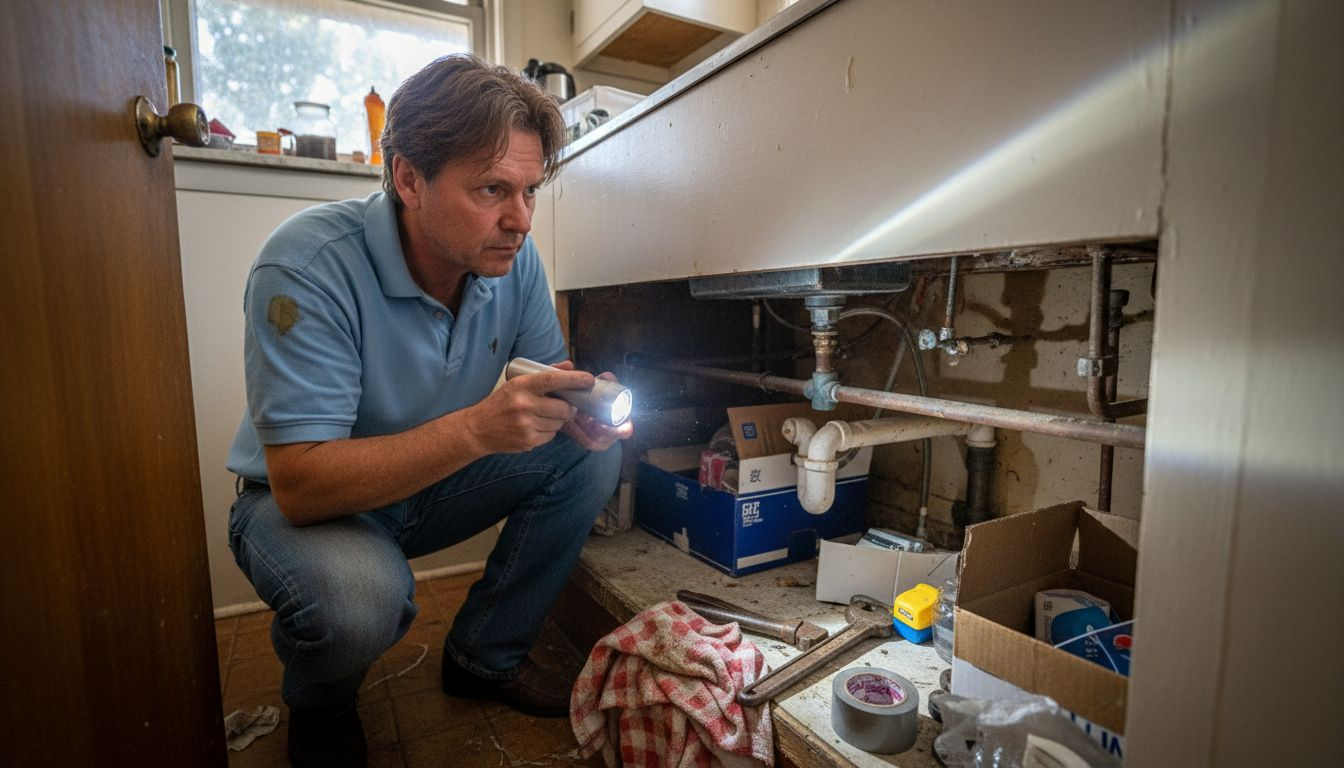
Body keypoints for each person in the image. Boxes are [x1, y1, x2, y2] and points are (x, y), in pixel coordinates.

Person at [225, 54, 631, 768]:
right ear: (408, 178)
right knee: (356, 604)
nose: (520, 220)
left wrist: (579, 408)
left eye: (531, 191)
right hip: (310, 506)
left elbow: (546, 379)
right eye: (491, 189)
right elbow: (300, 484)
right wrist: (478, 427)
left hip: (433, 481)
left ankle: (484, 657)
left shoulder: (514, 261)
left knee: (587, 453)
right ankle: (321, 704)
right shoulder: (305, 266)